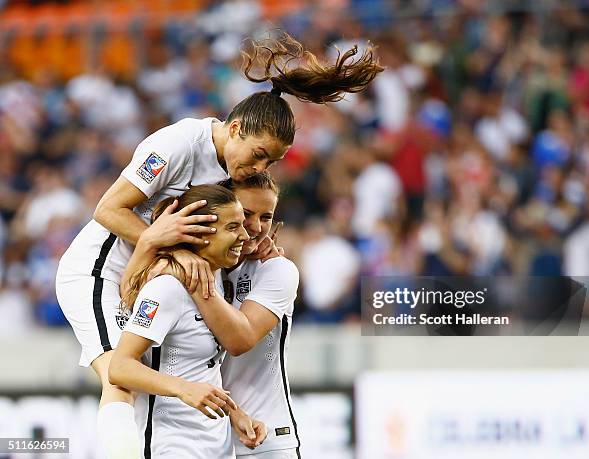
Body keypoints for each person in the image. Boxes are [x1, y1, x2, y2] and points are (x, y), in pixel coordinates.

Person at [55, 32, 383, 458]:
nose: (259, 168)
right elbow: (108, 210)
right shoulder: (178, 144)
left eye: (272, 163)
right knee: (119, 377)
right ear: (234, 128)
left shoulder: (235, 174)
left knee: (145, 380)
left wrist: (255, 242)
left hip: (151, 274)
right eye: (259, 154)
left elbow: (227, 229)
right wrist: (164, 245)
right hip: (98, 272)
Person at [126, 172, 301, 458]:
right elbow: (131, 298)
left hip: (264, 436)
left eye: (267, 217)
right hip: (208, 434)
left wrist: (190, 270)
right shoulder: (205, 270)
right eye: (244, 216)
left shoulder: (275, 268)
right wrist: (160, 248)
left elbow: (239, 339)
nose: (254, 228)